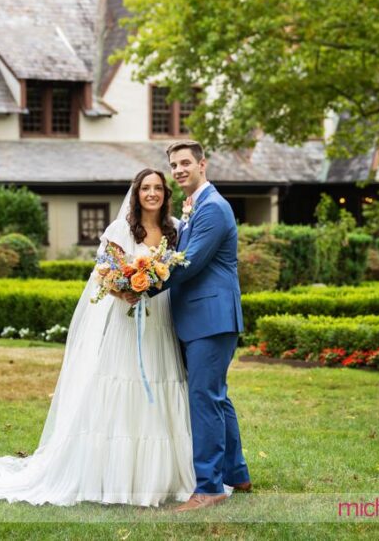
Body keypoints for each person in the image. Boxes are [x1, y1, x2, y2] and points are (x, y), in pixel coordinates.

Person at [0, 168, 195, 507]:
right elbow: (104, 273)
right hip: (127, 322)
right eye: (145, 188)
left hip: (161, 319)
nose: (152, 193)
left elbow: (182, 268)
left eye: (158, 188)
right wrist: (123, 292)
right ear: (136, 193)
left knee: (162, 385)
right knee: (121, 387)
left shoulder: (176, 231)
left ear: (166, 194)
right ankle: (118, 477)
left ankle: (162, 476)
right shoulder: (121, 229)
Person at [135, 140, 251, 512]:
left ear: (203, 164)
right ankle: (237, 473)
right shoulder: (196, 206)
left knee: (204, 399)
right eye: (174, 164)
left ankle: (209, 487)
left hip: (211, 319)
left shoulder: (214, 208)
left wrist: (140, 287)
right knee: (216, 397)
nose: (179, 169)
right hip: (200, 319)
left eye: (186, 162)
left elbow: (190, 263)